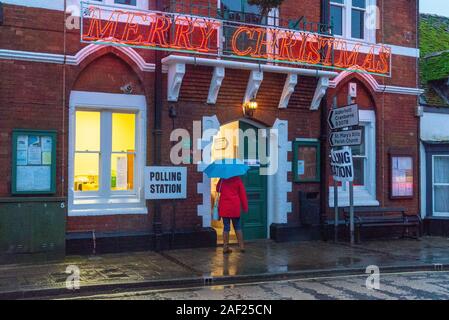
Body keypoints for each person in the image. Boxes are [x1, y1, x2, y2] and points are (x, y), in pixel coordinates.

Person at [216, 176, 248, 254]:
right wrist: (245, 207)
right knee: (237, 226)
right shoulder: (238, 180)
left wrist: (221, 179)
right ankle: (241, 246)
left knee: (226, 227)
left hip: (225, 207)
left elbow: (217, 189)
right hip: (235, 207)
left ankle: (225, 247)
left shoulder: (223, 179)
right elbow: (242, 194)